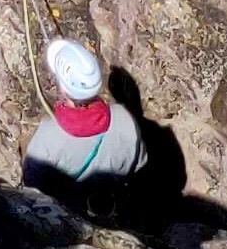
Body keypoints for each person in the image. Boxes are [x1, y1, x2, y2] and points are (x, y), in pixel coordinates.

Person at [21, 38, 148, 213]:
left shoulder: (46, 138)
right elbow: (139, 165)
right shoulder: (126, 119)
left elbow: (30, 191)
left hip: (66, 217)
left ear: (63, 89)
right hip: (109, 209)